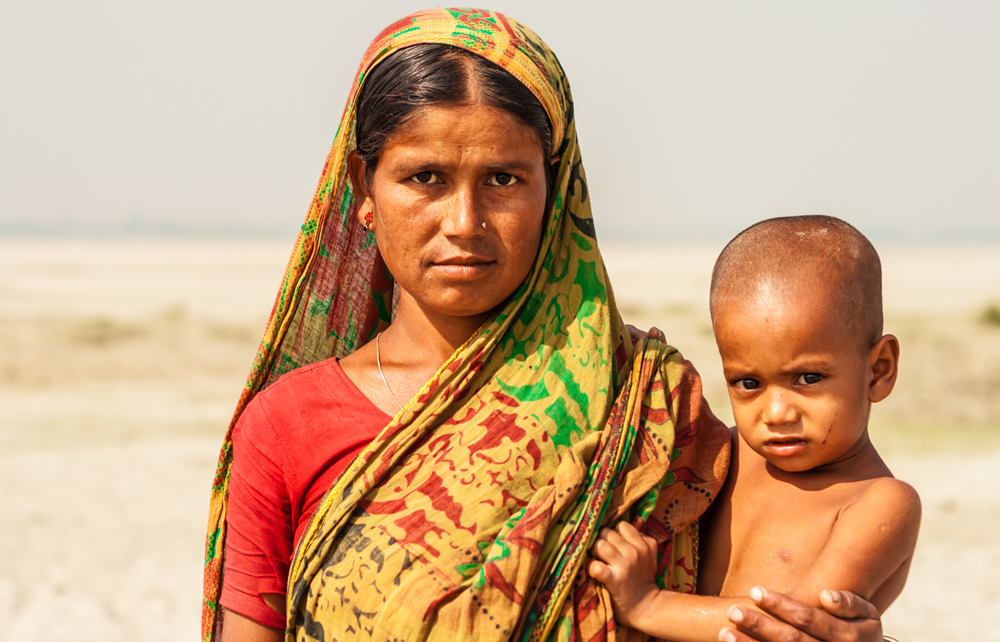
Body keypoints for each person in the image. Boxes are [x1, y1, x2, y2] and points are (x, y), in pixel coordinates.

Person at [201, 9, 887, 642]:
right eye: (426, 178)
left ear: (555, 192)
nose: (464, 223)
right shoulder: (287, 426)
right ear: (363, 191)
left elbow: (768, 607)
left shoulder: (646, 408)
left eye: (503, 180)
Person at [588, 216, 921, 642]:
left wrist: (646, 604)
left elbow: (791, 627)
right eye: (749, 384)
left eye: (808, 379)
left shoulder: (880, 503)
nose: (777, 412)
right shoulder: (722, 454)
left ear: (878, 370)